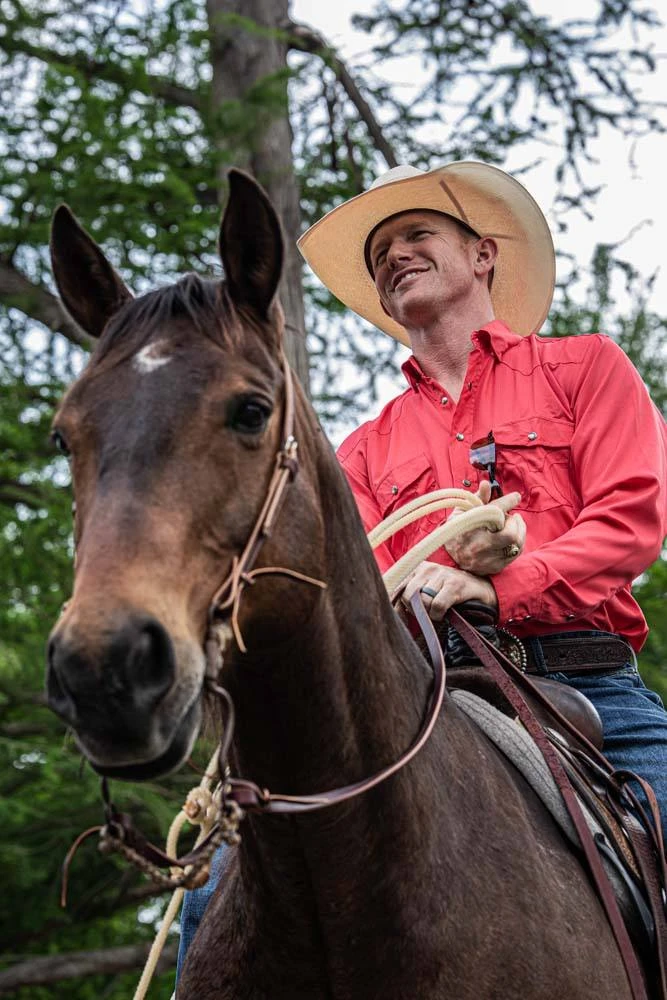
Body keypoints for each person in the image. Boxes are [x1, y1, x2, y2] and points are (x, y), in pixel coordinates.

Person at [177, 161, 667, 970]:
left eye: (416, 236)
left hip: (587, 685)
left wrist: (500, 581)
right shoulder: (364, 448)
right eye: (380, 255)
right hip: (427, 695)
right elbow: (359, 589)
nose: (394, 255)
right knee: (217, 887)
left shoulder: (584, 368)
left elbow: (630, 521)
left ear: (481, 257)